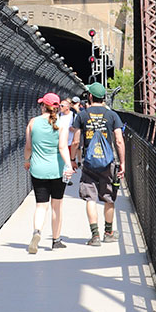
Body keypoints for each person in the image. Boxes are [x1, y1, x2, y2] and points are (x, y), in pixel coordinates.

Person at [70, 82, 125, 246]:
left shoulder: (82, 115)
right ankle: (108, 233)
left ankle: (95, 236)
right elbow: (119, 141)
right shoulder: (112, 115)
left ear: (90, 96)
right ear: (104, 98)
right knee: (108, 197)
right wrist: (122, 163)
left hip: (89, 162)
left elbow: (75, 142)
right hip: (108, 162)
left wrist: (73, 160)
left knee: (90, 198)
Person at [23, 92, 73, 253]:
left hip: (38, 169)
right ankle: (56, 240)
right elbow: (63, 147)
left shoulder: (33, 123)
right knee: (56, 206)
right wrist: (68, 165)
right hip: (57, 170)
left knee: (40, 206)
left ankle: (37, 232)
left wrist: (26, 160)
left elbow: (28, 146)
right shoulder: (61, 125)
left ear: (44, 106)